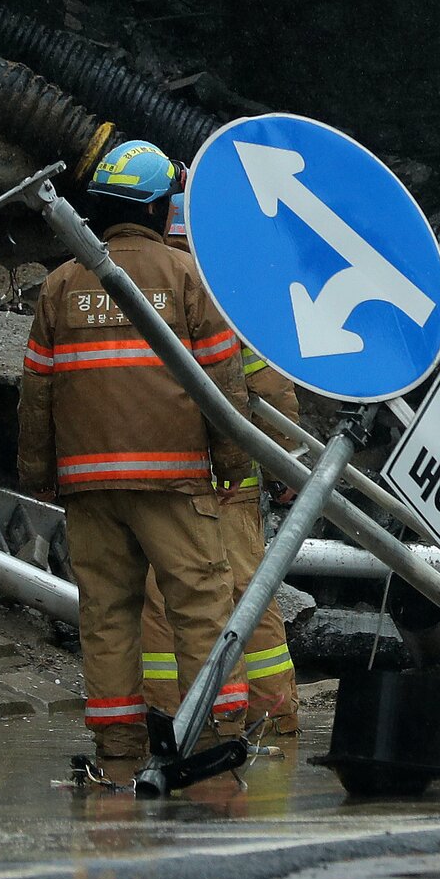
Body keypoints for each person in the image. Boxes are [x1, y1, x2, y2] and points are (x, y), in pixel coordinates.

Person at [17, 140, 253, 773]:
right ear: (157, 206)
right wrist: (234, 464)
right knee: (201, 604)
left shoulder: (62, 284)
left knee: (107, 615)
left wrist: (39, 474)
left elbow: (37, 390)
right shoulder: (186, 278)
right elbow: (222, 385)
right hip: (172, 480)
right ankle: (212, 741)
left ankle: (118, 753)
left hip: (88, 487)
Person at [142, 193, 302, 737]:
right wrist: (286, 468)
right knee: (249, 596)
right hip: (232, 481)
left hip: (168, 476)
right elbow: (270, 389)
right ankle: (272, 712)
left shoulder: (143, 289)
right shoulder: (236, 294)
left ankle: (169, 716)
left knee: (169, 596)